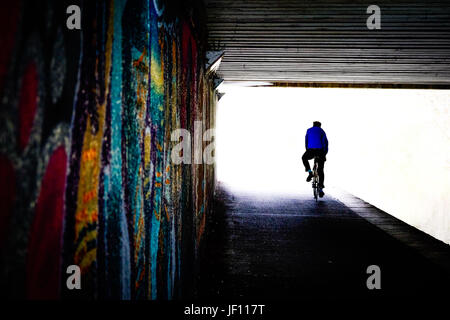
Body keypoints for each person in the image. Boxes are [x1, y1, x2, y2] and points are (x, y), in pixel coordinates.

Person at [302, 121, 328, 197]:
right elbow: (325, 143)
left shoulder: (309, 130)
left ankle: (310, 172)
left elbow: (306, 142)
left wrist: (308, 150)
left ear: (313, 125)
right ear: (320, 126)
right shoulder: (322, 131)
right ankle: (320, 187)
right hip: (320, 151)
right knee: (320, 170)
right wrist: (324, 154)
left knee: (304, 158)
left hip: (310, 150)